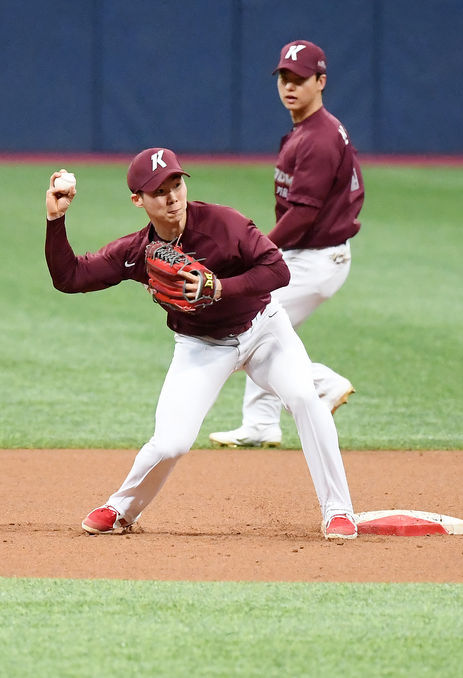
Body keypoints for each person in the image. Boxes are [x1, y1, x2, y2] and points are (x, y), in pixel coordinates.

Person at [44, 147, 358, 540]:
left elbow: (277, 270)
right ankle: (121, 509)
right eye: (159, 191)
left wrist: (220, 286)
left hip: (264, 330)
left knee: (303, 397)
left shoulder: (223, 224)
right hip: (201, 346)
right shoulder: (135, 252)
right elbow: (69, 277)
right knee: (171, 442)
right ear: (138, 200)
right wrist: (56, 219)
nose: (172, 197)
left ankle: (338, 510)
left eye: (176, 184)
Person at [210, 39, 364, 448]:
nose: (289, 86)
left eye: (299, 78)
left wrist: (257, 248)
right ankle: (261, 423)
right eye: (283, 77)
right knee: (267, 324)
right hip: (311, 254)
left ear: (321, 81)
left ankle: (324, 384)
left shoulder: (318, 138)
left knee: (248, 323)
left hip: (316, 259)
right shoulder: (310, 130)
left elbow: (303, 214)